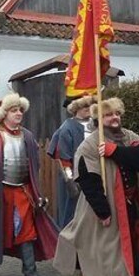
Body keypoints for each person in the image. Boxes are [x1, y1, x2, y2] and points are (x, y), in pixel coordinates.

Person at [54, 97, 139, 276]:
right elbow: (87, 181)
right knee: (117, 251)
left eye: (117, 114)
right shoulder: (89, 145)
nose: (114, 118)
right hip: (101, 206)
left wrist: (114, 151)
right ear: (98, 118)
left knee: (109, 250)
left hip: (129, 204)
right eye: (108, 115)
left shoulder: (129, 137)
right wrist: (103, 212)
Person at [0, 93, 58, 276]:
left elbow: (34, 168)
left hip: (22, 192)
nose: (18, 113)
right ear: (4, 114)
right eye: (13, 110)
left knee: (27, 230)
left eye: (20, 110)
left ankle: (30, 273)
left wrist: (37, 193)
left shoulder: (27, 135)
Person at [47, 95, 95, 228]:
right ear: (76, 107)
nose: (89, 108)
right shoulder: (67, 128)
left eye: (90, 105)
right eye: (85, 106)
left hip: (97, 177)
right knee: (72, 217)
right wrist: (71, 181)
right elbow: (63, 159)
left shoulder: (97, 125)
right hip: (77, 180)